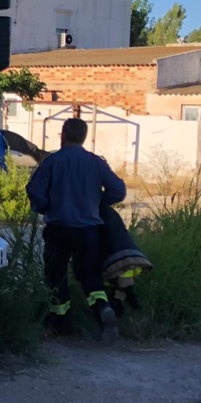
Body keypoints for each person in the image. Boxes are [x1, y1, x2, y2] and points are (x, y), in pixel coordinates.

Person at [25, 118, 127, 342]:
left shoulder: (53, 162)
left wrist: (45, 207)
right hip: (90, 231)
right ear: (84, 136)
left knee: (56, 276)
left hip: (58, 229)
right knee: (89, 274)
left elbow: (34, 190)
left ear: (63, 135)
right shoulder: (96, 162)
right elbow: (118, 190)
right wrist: (99, 202)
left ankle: (60, 323)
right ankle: (102, 309)